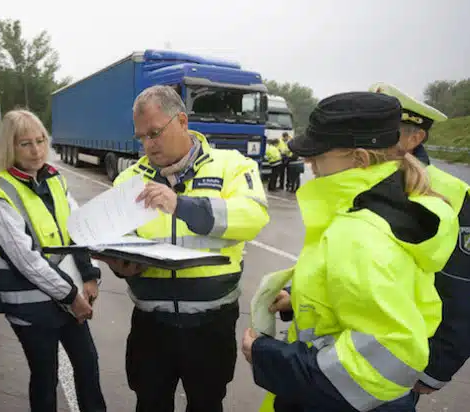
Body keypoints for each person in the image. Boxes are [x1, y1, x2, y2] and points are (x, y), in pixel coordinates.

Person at [241, 91, 459, 412]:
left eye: (318, 155)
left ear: (358, 159)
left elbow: (387, 354)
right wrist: (296, 297)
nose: (309, 163)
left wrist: (266, 354)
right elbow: (371, 295)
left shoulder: (359, 232)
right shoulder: (391, 206)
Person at [96, 85, 270, 412]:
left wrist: (183, 206)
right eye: (141, 137)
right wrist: (119, 266)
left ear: (182, 121)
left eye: (155, 133)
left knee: (206, 404)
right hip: (150, 326)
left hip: (211, 324)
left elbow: (254, 217)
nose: (148, 144)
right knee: (150, 403)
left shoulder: (233, 165)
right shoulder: (129, 181)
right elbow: (118, 241)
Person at [0, 109, 106, 412]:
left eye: (41, 140)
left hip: (65, 297)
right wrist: (72, 296)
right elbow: (27, 262)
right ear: (9, 148)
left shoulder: (55, 179)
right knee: (45, 378)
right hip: (31, 307)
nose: (37, 150)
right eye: (25, 144)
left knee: (88, 366)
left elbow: (76, 230)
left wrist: (89, 274)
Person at [369, 83, 470, 401]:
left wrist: (436, 369)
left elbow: (461, 290)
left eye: (380, 130)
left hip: (396, 360)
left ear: (415, 138)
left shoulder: (451, 195)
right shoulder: (355, 175)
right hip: (334, 349)